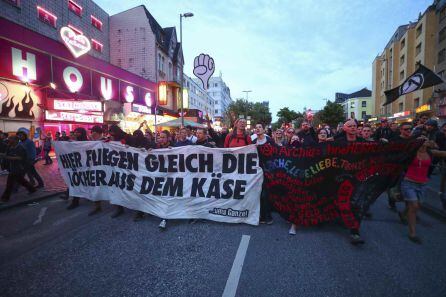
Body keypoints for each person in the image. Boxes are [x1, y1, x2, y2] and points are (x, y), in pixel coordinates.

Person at [398, 140, 446, 243]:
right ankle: (412, 233)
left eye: (425, 139)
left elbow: (443, 153)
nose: (423, 141)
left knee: (416, 206)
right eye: (421, 139)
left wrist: (435, 144)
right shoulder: (411, 152)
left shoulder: (430, 152)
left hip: (423, 184)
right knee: (414, 206)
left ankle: (403, 214)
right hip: (409, 182)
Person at [0, 135, 36, 203]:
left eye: (11, 139)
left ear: (16, 140)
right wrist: (2, 155)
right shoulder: (10, 147)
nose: (9, 140)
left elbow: (20, 158)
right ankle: (32, 189)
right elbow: (6, 154)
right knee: (21, 180)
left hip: (19, 167)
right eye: (9, 138)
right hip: (12, 167)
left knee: (9, 183)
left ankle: (5, 198)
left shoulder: (21, 148)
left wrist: (7, 157)